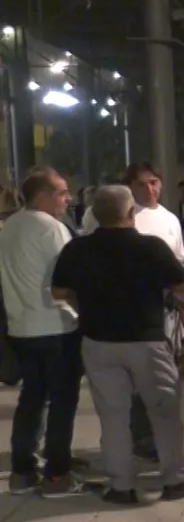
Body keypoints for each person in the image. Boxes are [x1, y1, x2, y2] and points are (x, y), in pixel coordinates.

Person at [55, 186, 184, 505]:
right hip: (146, 340)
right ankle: (174, 478)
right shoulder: (150, 247)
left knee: (112, 415)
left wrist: (84, 305)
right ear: (131, 213)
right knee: (163, 411)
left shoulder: (77, 249)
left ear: (95, 214)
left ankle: (121, 484)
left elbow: (59, 292)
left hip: (97, 341)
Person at [2, 167, 84, 496]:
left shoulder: (9, 227)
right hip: (56, 325)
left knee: (32, 399)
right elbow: (67, 278)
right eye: (62, 193)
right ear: (41, 196)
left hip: (21, 327)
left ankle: (22, 471)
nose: (68, 199)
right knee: (63, 401)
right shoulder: (51, 229)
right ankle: (57, 474)